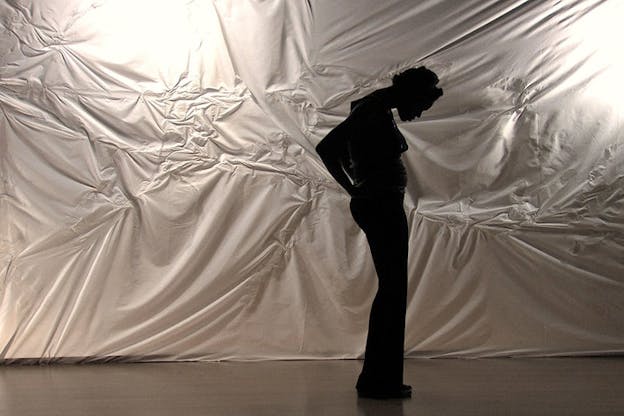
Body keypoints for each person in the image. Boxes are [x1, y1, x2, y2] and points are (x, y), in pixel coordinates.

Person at [315, 66, 443, 399]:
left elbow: (344, 149)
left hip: (382, 203)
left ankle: (378, 378)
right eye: (420, 106)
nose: (416, 115)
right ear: (410, 94)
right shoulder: (372, 109)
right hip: (381, 205)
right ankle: (379, 381)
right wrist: (356, 187)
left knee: (392, 289)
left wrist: (359, 179)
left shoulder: (373, 107)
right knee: (392, 290)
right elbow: (327, 147)